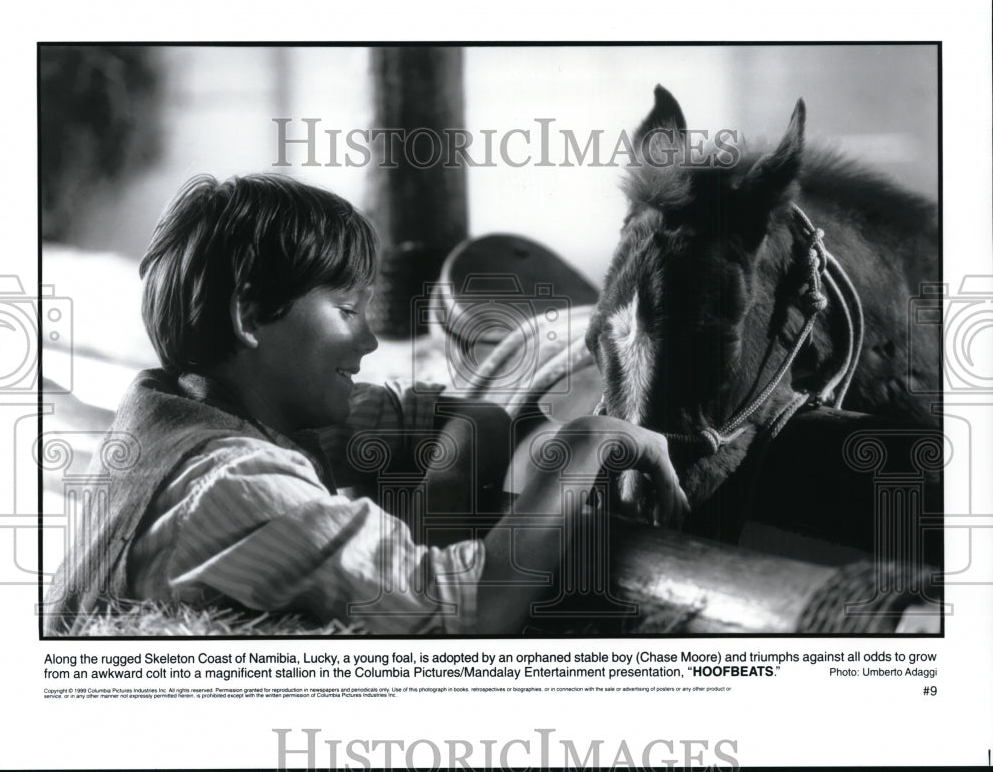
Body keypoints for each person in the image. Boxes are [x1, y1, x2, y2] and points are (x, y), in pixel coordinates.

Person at [44, 174, 687, 636]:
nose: (370, 338)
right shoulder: (239, 486)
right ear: (248, 315)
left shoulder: (167, 413)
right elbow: (471, 612)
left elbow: (421, 411)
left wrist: (451, 458)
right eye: (347, 310)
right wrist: (583, 446)